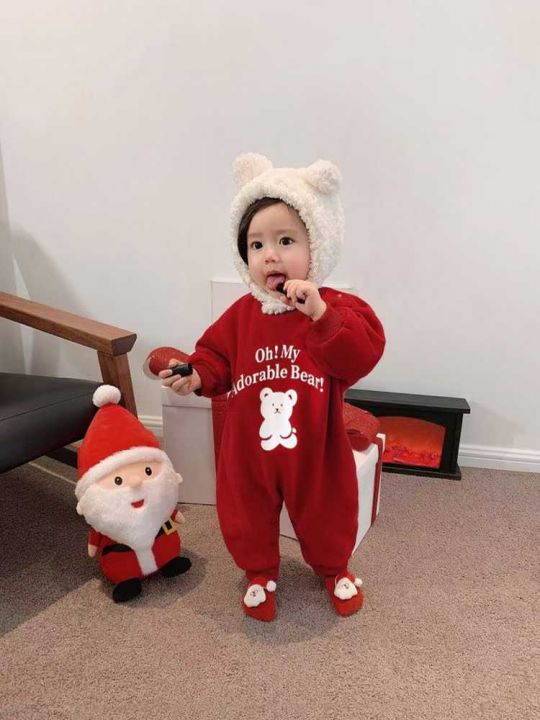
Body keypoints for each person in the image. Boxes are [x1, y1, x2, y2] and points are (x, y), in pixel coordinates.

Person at [160, 153, 385, 621]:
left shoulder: (333, 307)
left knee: (328, 507)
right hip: (248, 447)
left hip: (316, 447)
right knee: (245, 510)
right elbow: (215, 357)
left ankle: (334, 567)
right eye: (256, 244)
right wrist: (196, 375)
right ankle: (259, 572)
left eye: (286, 240)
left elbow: (362, 353)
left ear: (316, 244)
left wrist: (321, 314)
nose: (270, 255)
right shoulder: (242, 315)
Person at [75, 385, 192, 602]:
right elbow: (97, 533)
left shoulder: (157, 502)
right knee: (120, 560)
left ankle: (169, 562)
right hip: (121, 549)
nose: (137, 482)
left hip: (160, 535)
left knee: (165, 538)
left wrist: (174, 513)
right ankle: (128, 580)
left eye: (148, 471)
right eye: (118, 480)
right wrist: (93, 544)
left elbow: (169, 511)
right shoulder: (109, 518)